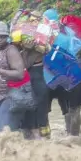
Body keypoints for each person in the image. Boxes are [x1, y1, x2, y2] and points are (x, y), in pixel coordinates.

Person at [19, 11, 51, 140]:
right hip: (24, 70)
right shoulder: (23, 32)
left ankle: (42, 128)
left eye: (37, 20)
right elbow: (23, 44)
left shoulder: (45, 32)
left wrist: (40, 45)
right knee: (26, 101)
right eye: (32, 20)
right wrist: (32, 43)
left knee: (42, 98)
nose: (34, 23)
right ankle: (27, 129)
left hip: (38, 70)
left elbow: (48, 48)